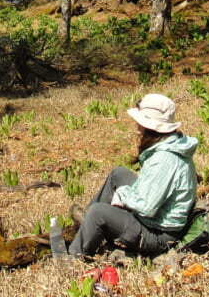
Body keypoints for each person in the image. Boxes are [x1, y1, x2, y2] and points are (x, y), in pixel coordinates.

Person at [67, 94, 198, 259]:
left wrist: (122, 194)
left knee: (98, 212)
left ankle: (74, 257)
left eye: (140, 124)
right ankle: (88, 228)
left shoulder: (164, 159)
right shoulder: (172, 142)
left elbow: (146, 208)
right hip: (156, 219)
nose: (137, 128)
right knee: (118, 173)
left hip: (159, 234)